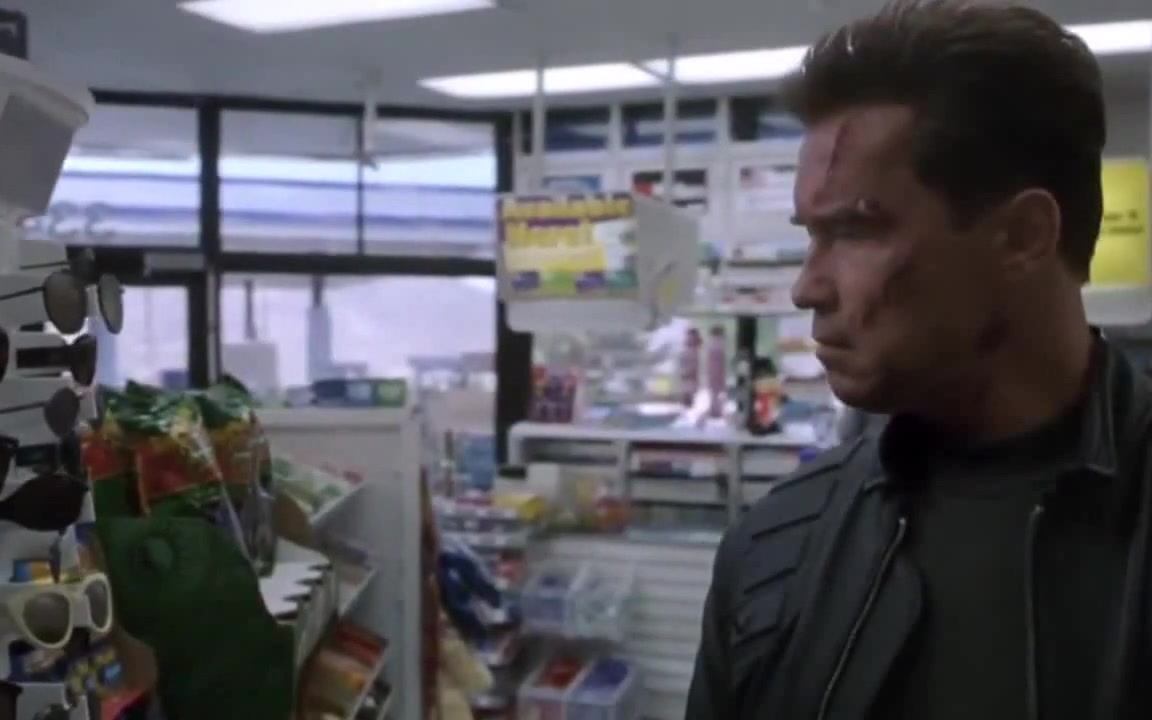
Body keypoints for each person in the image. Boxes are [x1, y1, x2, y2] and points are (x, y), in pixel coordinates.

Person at [685, 1, 1152, 719]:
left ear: (1023, 236)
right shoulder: (773, 554)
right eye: (812, 235)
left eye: (855, 230)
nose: (807, 287)